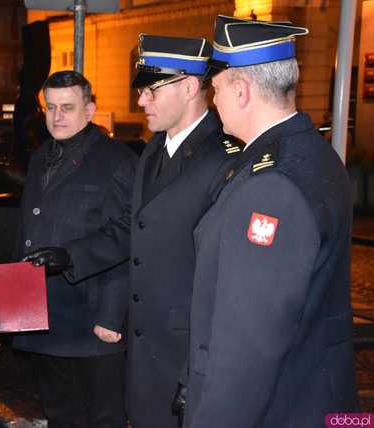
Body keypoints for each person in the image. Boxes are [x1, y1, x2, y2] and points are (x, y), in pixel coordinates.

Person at [24, 35, 242, 428]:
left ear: (190, 86)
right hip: (148, 340)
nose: (141, 101)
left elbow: (230, 274)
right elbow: (133, 232)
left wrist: (202, 363)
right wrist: (72, 255)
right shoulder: (156, 149)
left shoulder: (223, 156)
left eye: (151, 91)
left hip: (186, 341)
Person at [183, 16, 359, 427]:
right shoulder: (312, 154)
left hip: (279, 408)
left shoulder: (272, 185)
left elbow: (248, 345)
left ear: (241, 90)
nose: (213, 100)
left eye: (217, 87)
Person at [14, 70, 136, 427]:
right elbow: (28, 228)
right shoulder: (40, 159)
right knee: (60, 415)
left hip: (92, 321)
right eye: (50, 107)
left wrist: (112, 316)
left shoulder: (117, 160)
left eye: (68, 107)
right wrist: (13, 304)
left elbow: (128, 235)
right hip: (44, 316)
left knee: (103, 419)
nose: (57, 116)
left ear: (91, 110)